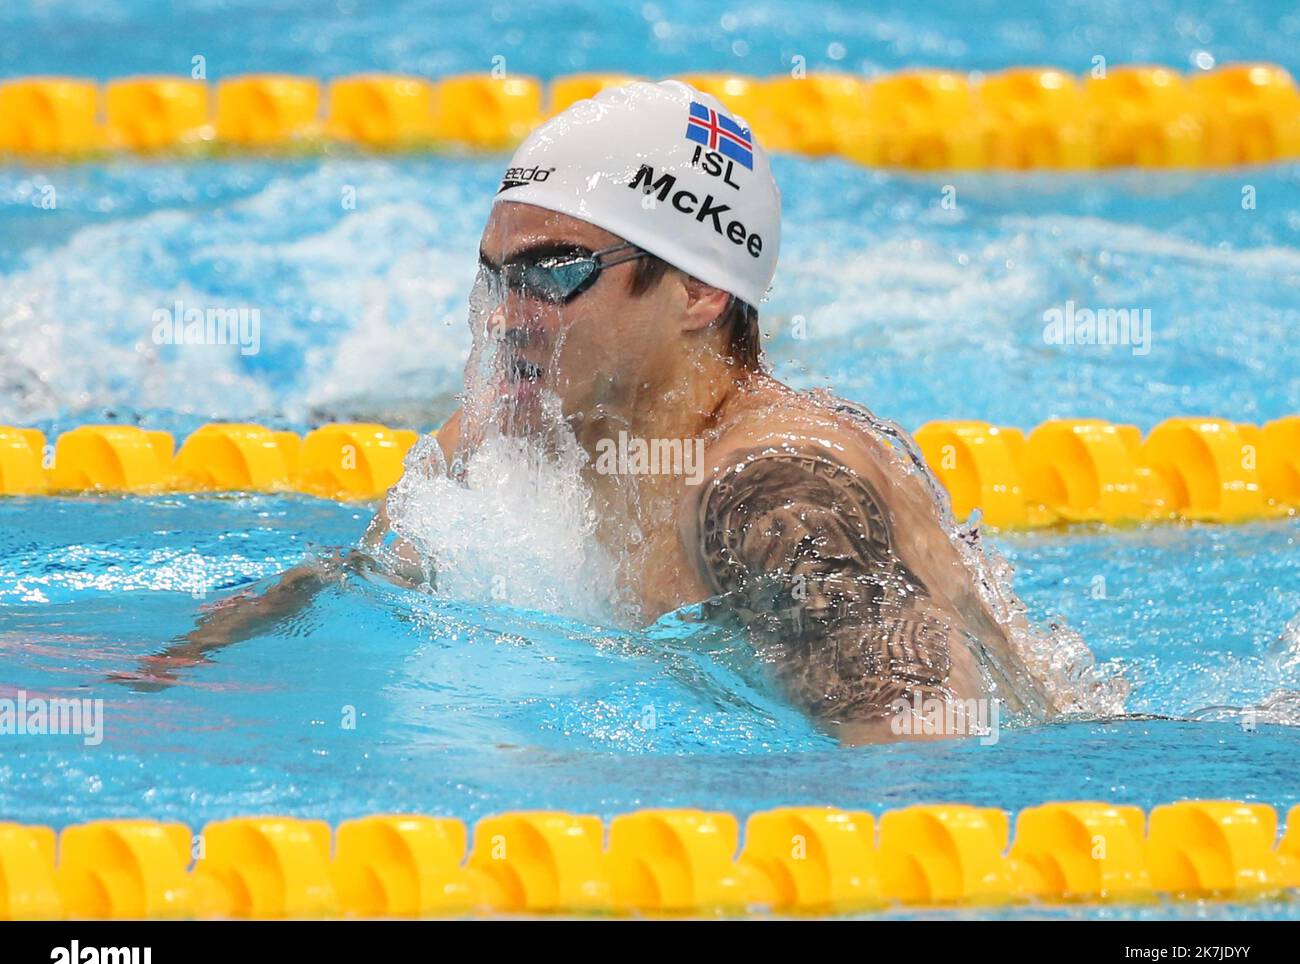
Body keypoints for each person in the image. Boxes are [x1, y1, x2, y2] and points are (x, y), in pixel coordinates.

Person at [143, 80, 1052, 743]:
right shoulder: (508, 437)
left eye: (555, 273)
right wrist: (168, 675)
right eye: (496, 276)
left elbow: (924, 742)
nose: (508, 315)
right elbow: (362, 581)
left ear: (698, 292)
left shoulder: (770, 488)